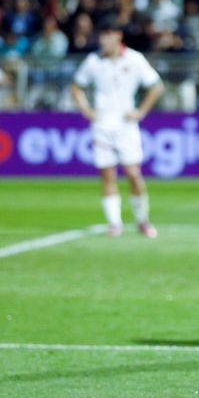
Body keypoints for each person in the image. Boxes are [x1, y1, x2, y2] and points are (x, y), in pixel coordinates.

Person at [71, 19, 165, 238]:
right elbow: (76, 86)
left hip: (126, 125)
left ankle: (142, 220)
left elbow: (156, 86)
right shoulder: (94, 61)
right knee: (108, 174)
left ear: (118, 36)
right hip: (102, 125)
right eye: (101, 35)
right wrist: (86, 109)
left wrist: (141, 111)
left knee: (133, 174)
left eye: (107, 35)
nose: (103, 40)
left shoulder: (134, 59)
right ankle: (115, 223)